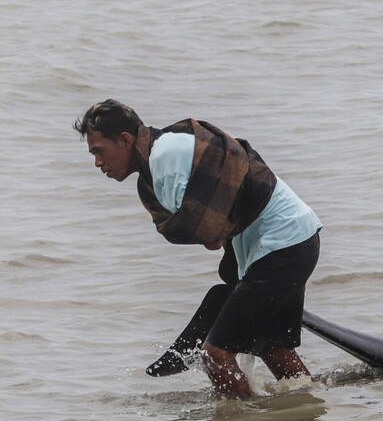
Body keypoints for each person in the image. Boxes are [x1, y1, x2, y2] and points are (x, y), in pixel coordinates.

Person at [76, 99, 322, 397]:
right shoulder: (165, 151)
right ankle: (306, 404)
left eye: (99, 152)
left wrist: (204, 230)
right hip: (296, 237)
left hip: (281, 245)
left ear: (126, 140)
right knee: (271, 346)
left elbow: (212, 235)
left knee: (214, 354)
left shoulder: (162, 160)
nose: (98, 163)